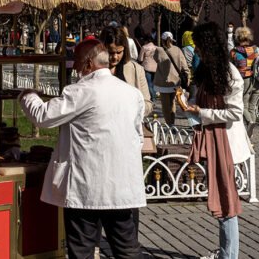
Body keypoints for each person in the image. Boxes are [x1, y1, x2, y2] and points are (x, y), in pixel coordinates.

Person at [20, 38, 146, 259]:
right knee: (127, 249)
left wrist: (27, 95)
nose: (75, 68)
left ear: (88, 64)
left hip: (87, 187)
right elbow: (138, 137)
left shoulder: (82, 91)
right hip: (123, 187)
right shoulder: (132, 94)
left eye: (77, 62)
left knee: (82, 250)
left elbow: (42, 116)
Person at [183, 22, 252, 259]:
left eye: (200, 47)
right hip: (213, 140)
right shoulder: (208, 71)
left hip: (225, 143)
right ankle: (225, 252)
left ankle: (229, 255)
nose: (197, 51)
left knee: (226, 201)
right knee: (223, 199)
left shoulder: (230, 74)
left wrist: (201, 113)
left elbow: (234, 113)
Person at [99, 26, 153, 114]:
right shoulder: (92, 69)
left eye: (119, 52)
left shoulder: (136, 69)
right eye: (111, 52)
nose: (115, 57)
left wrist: (131, 107)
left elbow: (148, 105)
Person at [230, 27, 259, 137]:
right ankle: (250, 134)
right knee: (252, 106)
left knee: (243, 105)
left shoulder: (234, 52)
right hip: (257, 81)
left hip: (243, 80)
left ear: (237, 38)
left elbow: (230, 68)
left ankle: (249, 122)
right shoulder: (256, 50)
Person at [155, 32, 189, 126]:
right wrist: (187, 78)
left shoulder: (159, 50)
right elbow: (184, 65)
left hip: (163, 82)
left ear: (162, 39)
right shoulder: (178, 50)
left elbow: (156, 59)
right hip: (175, 81)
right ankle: (172, 122)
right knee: (172, 102)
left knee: (165, 105)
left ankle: (169, 123)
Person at [138, 35, 158, 101]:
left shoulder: (144, 47)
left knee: (149, 83)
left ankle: (153, 97)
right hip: (156, 67)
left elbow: (140, 59)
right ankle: (154, 96)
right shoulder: (157, 48)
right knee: (154, 83)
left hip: (147, 67)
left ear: (146, 40)